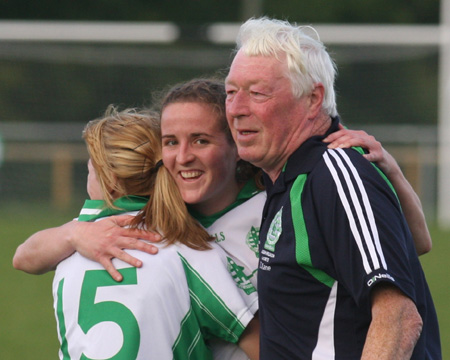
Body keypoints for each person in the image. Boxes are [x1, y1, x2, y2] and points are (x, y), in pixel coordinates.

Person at [14, 79, 433, 360]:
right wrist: (74, 234)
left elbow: (414, 244)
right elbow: (26, 257)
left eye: (201, 140)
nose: (184, 157)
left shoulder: (286, 197)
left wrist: (390, 171)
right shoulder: (168, 228)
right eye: (171, 143)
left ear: (237, 146)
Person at [224, 17, 441, 359]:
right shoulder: (283, 178)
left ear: (313, 99)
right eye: (231, 92)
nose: (236, 109)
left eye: (257, 93)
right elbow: (414, 244)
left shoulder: (332, 175)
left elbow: (399, 317)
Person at [40, 106, 260, 359]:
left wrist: (73, 235)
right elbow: (256, 341)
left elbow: (23, 258)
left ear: (109, 180)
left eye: (91, 167)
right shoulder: (188, 247)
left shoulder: (68, 249)